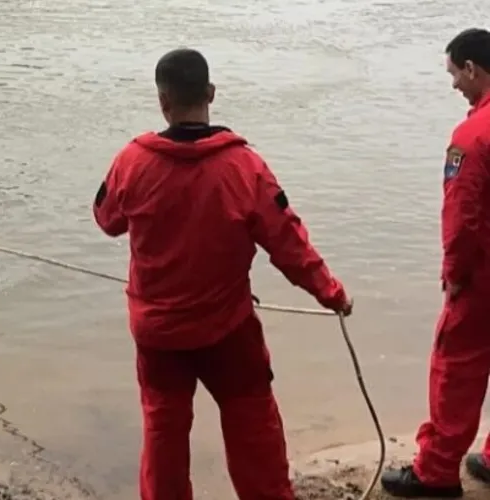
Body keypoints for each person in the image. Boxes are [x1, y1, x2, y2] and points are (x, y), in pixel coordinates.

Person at [92, 47, 353, 500]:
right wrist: (331, 294)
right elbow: (288, 243)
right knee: (253, 425)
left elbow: (106, 219)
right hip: (228, 329)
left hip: (158, 334)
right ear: (211, 93)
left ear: (162, 101)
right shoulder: (245, 167)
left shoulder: (132, 161)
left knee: (163, 431)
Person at [380, 28, 490, 499]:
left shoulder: (472, 136)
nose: (453, 86)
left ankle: (436, 471)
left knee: (456, 368)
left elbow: (461, 219)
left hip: (484, 276)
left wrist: (455, 276)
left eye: (454, 74)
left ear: (472, 68)